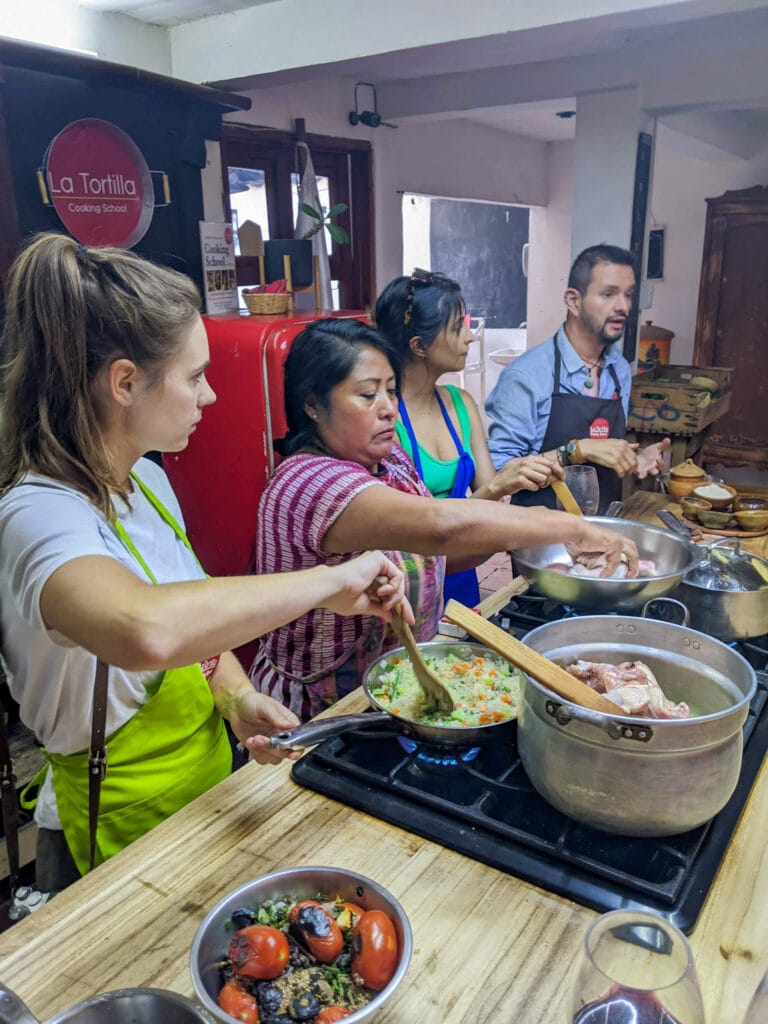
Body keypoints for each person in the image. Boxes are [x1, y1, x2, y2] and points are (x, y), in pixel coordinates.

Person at [0, 233, 409, 894]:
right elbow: (146, 630)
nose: (210, 396)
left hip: (209, 792)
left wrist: (240, 696)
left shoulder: (148, 483)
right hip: (114, 825)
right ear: (125, 382)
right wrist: (328, 581)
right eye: (195, 376)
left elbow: (195, 637)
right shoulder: (37, 513)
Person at [249, 318, 639, 722]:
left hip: (394, 691)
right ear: (312, 405)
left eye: (391, 390)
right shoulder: (308, 481)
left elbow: (438, 556)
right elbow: (441, 525)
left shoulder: (389, 461)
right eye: (367, 395)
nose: (388, 409)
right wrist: (575, 528)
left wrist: (525, 543)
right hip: (318, 710)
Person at [374, 269, 563, 607]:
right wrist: (496, 488)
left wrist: (520, 476)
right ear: (419, 346)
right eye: (457, 327)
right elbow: (417, 534)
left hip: (463, 582)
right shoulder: (385, 423)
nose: (470, 337)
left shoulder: (460, 404)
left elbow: (492, 502)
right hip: (409, 591)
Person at [486, 244, 670, 514]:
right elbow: (500, 476)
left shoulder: (618, 369)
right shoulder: (526, 376)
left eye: (628, 295)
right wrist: (577, 450)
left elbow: (605, 449)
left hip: (602, 528)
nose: (623, 306)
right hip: (540, 539)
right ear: (573, 300)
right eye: (608, 294)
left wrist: (635, 459)